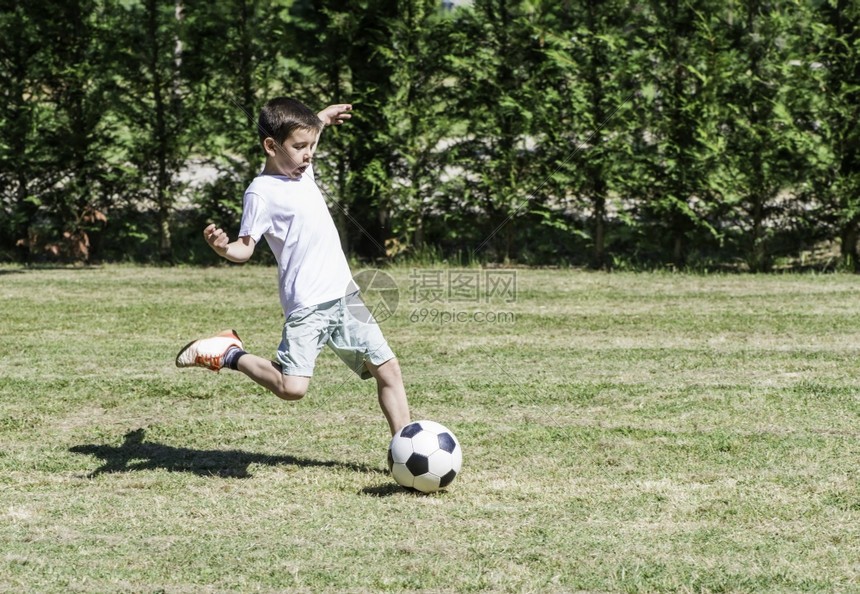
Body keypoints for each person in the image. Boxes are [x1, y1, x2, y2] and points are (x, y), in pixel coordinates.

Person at [176, 97, 410, 436]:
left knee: (388, 370)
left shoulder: (302, 170)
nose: (308, 154)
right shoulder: (261, 192)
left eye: (312, 146)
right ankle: (228, 352)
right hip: (308, 305)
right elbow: (245, 248)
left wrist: (322, 119)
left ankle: (404, 445)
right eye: (300, 147)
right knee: (291, 388)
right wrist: (224, 248)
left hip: (345, 296)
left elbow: (306, 133)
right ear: (271, 146)